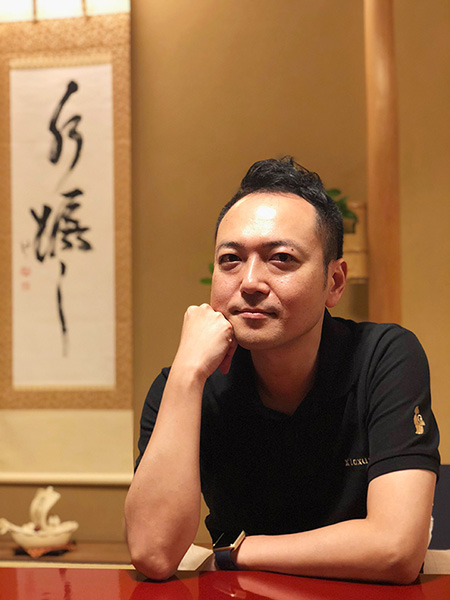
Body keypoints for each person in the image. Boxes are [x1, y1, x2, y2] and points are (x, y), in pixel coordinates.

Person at [125, 157, 440, 584]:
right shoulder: (185, 384)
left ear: (334, 282)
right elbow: (153, 552)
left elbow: (396, 549)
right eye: (231, 259)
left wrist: (236, 552)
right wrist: (187, 375)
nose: (249, 282)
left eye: (281, 258)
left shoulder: (383, 357)